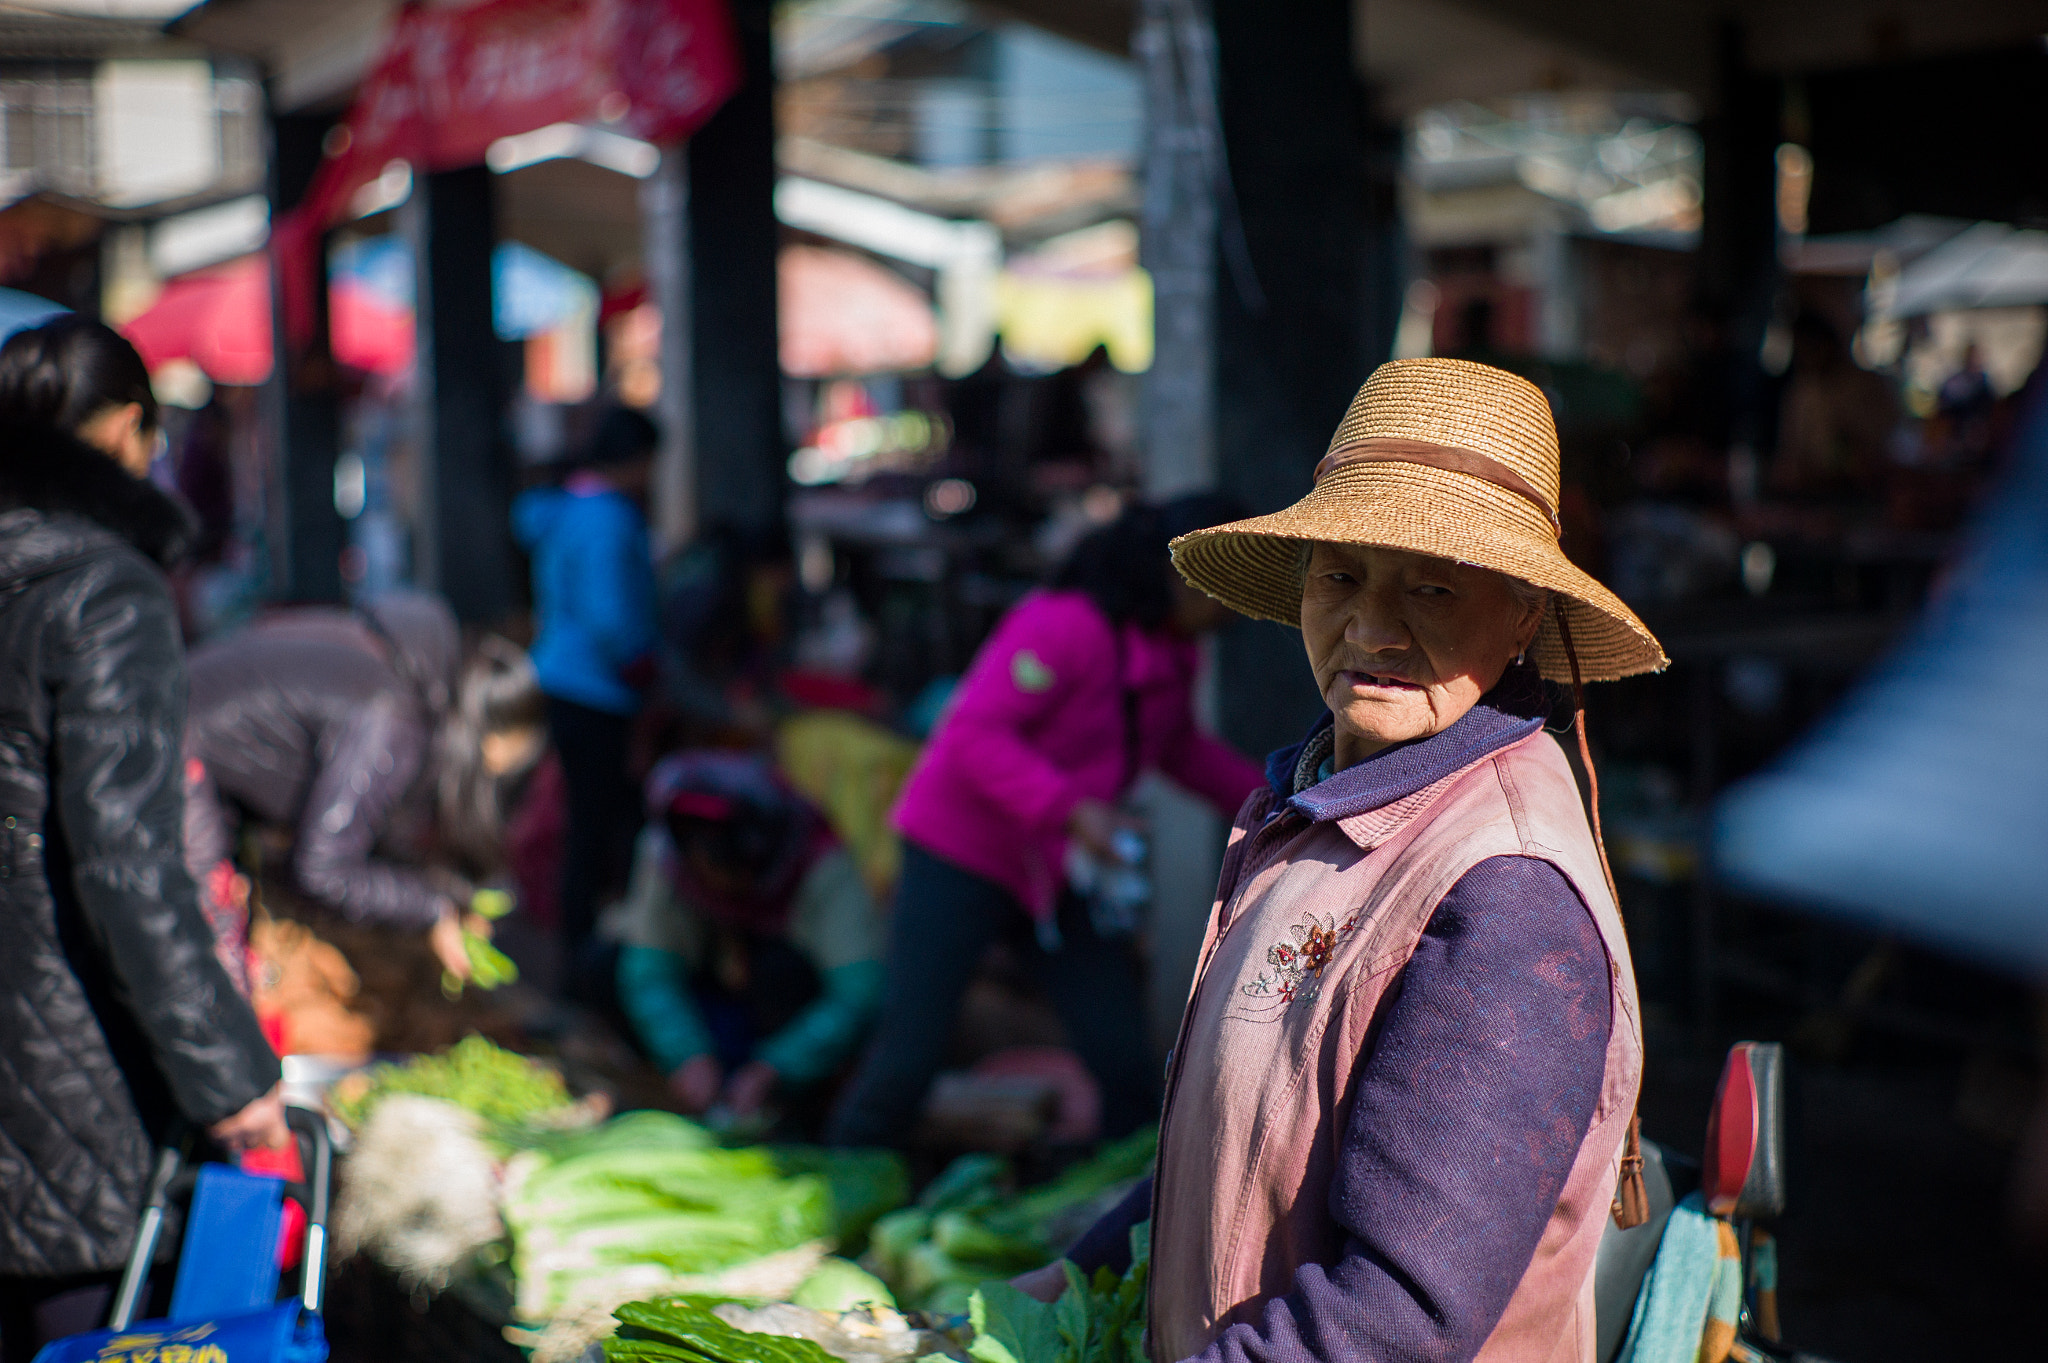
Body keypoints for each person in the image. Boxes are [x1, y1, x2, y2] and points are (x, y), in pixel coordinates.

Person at [1016, 359, 1667, 1363]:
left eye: (1432, 586)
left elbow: (1398, 1317)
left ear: (1525, 611)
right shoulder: (1322, 801)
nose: (1369, 628)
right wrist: (1071, 1274)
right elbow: (1244, 1157)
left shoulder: (1503, 897)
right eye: (1340, 574)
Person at [0, 317, 285, 1356]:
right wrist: (233, 1081)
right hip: (63, 1056)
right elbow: (126, 863)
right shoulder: (105, 588)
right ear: (128, 430)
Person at [826, 494, 1265, 1148]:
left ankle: (1130, 1216)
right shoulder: (1067, 626)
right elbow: (974, 735)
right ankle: (843, 1181)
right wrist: (1071, 808)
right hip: (961, 853)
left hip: (1057, 871)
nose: (1238, 605)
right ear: (1179, 574)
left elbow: (1177, 748)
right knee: (910, 1052)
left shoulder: (1171, 650)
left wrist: (1279, 798)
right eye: (1228, 585)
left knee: (1122, 1056)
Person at [182, 595, 545, 993]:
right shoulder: (390, 718)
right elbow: (324, 870)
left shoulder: (395, 664)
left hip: (176, 743)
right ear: (477, 740)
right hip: (170, 757)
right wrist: (433, 908)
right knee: (212, 992)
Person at [605, 752, 885, 1121]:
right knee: (603, 964)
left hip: (782, 1027)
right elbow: (649, 971)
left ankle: (792, 1113)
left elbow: (860, 991)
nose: (719, 891)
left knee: (779, 971)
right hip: (711, 1012)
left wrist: (777, 1067)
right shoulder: (669, 852)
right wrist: (686, 1055)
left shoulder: (820, 863)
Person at [513, 406, 660, 991]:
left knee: (582, 823)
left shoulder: (567, 509)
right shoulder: (608, 519)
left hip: (562, 679)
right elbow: (610, 616)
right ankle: (587, 964)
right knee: (596, 830)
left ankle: (579, 954)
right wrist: (644, 670)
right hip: (599, 690)